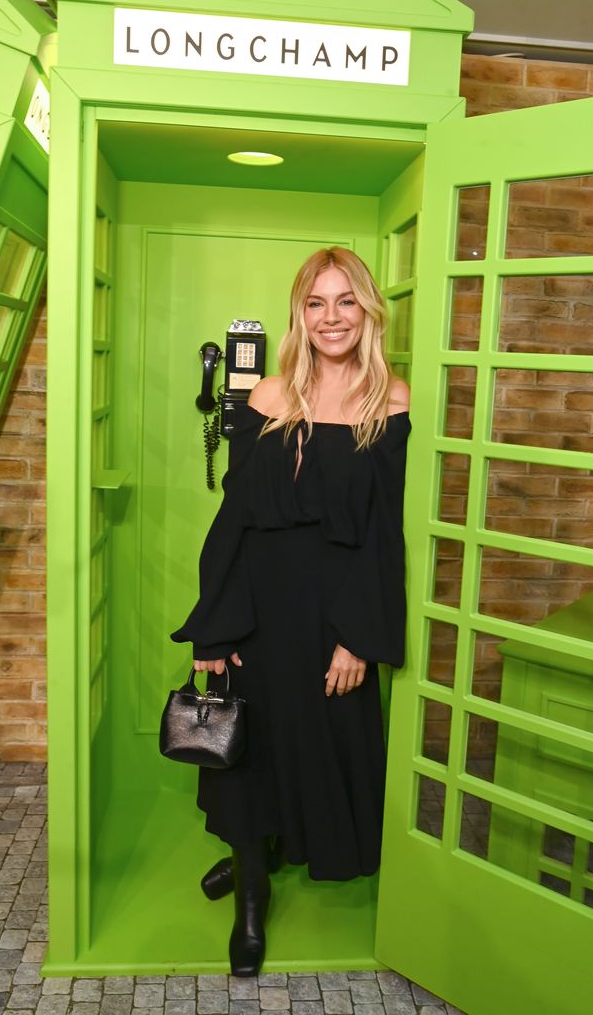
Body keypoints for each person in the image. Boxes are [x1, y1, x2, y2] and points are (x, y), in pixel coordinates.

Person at [170, 246, 410, 977]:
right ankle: (250, 891)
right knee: (249, 751)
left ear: (367, 311)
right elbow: (234, 518)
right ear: (299, 314)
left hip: (335, 610)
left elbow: (384, 535)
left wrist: (358, 638)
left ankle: (272, 853)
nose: (331, 317)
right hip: (260, 606)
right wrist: (216, 623)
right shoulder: (269, 396)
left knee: (318, 746)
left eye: (345, 301)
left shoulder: (391, 401)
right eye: (316, 302)